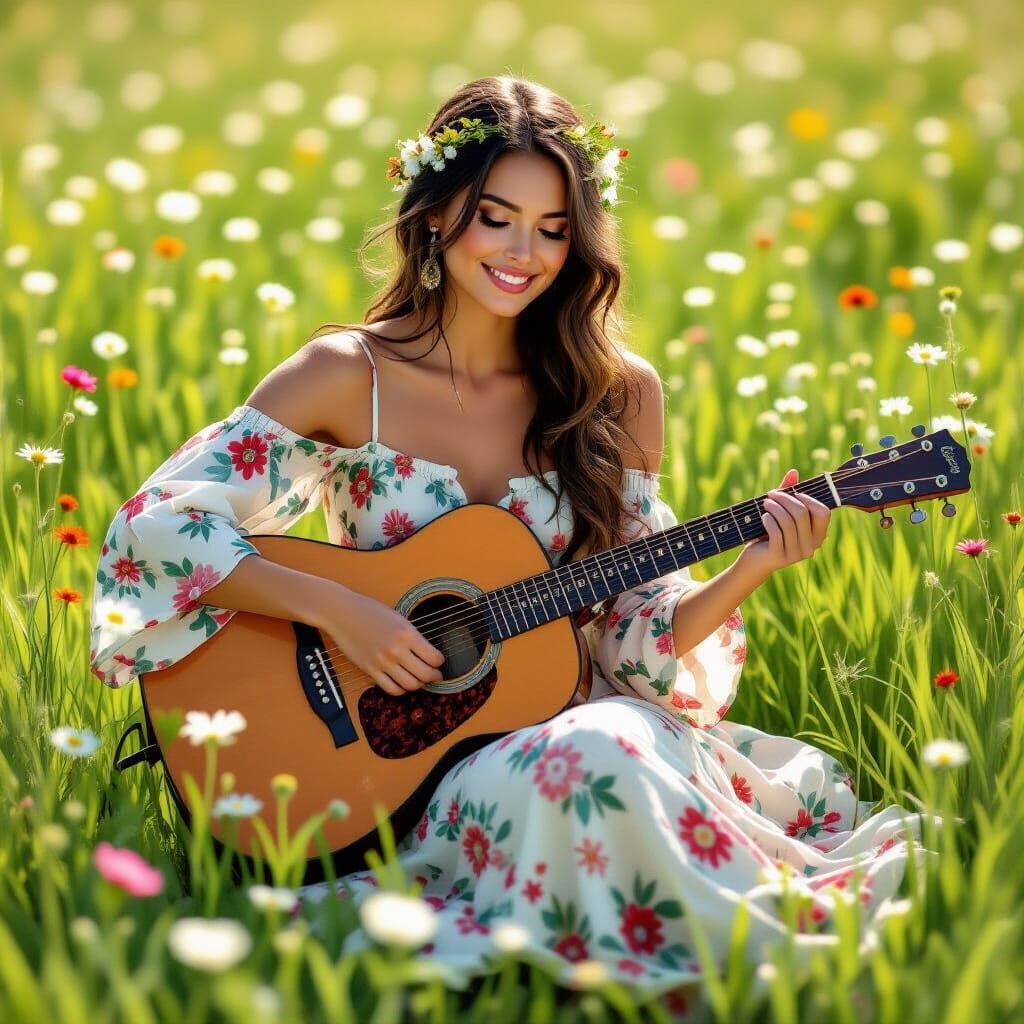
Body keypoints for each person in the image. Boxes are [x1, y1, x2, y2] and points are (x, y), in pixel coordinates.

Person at [89, 75, 933, 1015]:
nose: (523, 253)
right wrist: (342, 610)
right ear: (439, 212)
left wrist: (752, 566)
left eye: (554, 227)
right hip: (392, 766)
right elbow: (154, 526)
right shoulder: (348, 376)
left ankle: (745, 973)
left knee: (602, 744)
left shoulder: (617, 392)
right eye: (496, 217)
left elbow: (632, 639)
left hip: (566, 728)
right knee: (596, 756)